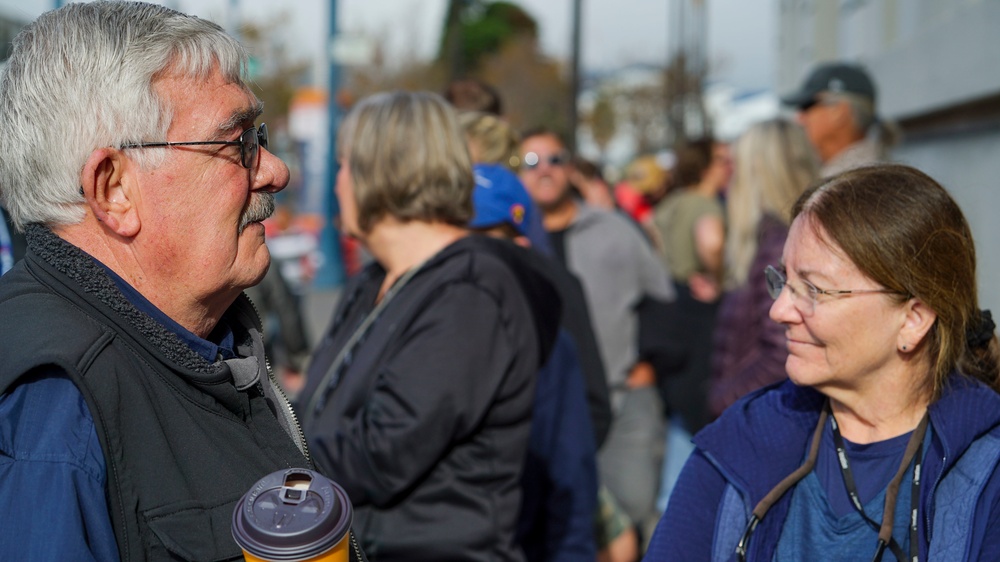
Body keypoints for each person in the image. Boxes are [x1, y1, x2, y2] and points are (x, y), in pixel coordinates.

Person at [0, 3, 313, 561]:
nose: (273, 170)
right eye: (236, 142)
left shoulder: (207, 337)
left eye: (258, 136)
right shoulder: (56, 413)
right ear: (114, 188)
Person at [646, 164, 1000, 561]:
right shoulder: (743, 445)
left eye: (813, 289)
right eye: (783, 281)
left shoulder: (985, 468)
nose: (779, 310)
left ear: (913, 319)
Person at [298, 91, 559, 562]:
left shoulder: (471, 293)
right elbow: (324, 410)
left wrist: (267, 460)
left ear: (383, 170)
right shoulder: (377, 279)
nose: (337, 184)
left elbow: (386, 451)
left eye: (343, 165)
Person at [519, 128, 674, 544]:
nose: (545, 171)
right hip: (549, 408)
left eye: (555, 159)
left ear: (571, 168)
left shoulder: (613, 230)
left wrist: (649, 361)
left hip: (621, 395)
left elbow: (662, 298)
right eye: (531, 163)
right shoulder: (512, 242)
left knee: (627, 514)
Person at [467, 166, 599, 562]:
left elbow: (572, 474)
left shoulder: (548, 327)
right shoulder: (414, 322)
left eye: (482, 240)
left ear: (519, 244)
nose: (461, 257)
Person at [708, 118, 819, 418]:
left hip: (760, 421)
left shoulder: (781, 246)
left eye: (734, 165)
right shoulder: (773, 239)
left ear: (758, 172)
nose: (726, 177)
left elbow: (783, 352)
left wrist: (722, 402)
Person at [651, 138, 730, 510]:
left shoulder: (668, 204)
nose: (728, 165)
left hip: (670, 305)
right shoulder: (704, 203)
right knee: (700, 408)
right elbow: (711, 243)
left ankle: (670, 501)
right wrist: (720, 275)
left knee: (678, 411)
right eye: (721, 158)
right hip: (701, 311)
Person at [782, 62, 895, 177]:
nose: (798, 118)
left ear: (838, 111)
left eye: (806, 106)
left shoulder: (857, 183)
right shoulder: (860, 174)